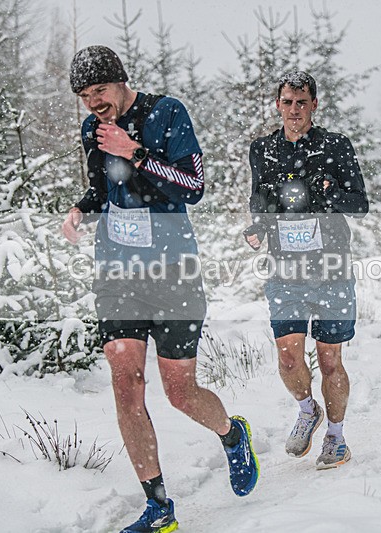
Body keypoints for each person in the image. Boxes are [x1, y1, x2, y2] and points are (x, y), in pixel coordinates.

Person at [61, 45, 258, 533]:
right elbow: (101, 188)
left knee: (180, 392)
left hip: (173, 275)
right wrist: (81, 210)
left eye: (100, 91)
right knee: (126, 385)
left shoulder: (167, 112)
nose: (94, 104)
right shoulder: (92, 130)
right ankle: (159, 507)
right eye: (85, 96)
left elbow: (192, 186)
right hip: (118, 276)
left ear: (121, 81)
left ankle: (233, 435)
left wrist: (137, 153)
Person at [243, 71, 368, 470]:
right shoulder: (262, 150)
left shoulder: (335, 146)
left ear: (315, 104)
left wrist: (328, 196)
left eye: (301, 102)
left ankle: (336, 438)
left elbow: (359, 203)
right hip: (285, 270)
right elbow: (259, 199)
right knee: (290, 359)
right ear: (277, 106)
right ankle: (306, 409)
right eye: (287, 102)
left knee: (330, 360)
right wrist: (258, 227)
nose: (294, 110)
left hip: (331, 267)